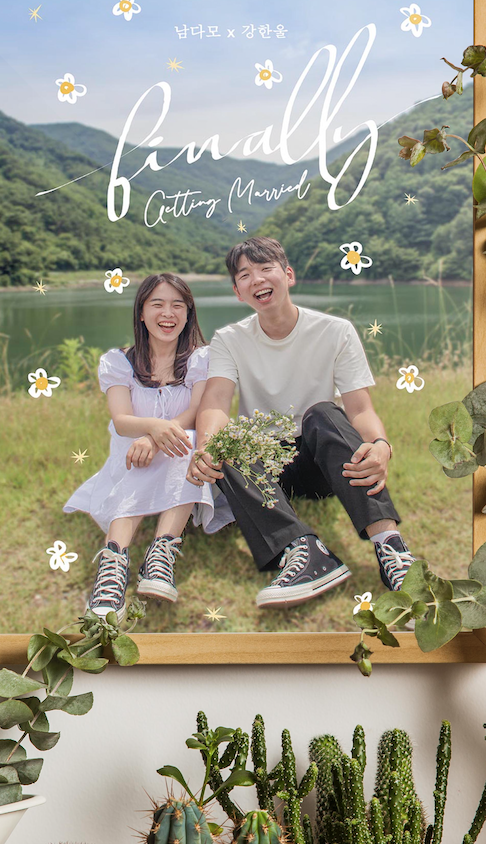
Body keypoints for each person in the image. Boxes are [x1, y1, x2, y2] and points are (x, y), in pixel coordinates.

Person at [187, 236, 415, 608]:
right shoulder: (229, 339)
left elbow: (359, 409)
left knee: (324, 412)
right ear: (238, 291)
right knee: (226, 438)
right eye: (245, 275)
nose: (257, 279)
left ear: (288, 275)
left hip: (323, 460)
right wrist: (205, 446)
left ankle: (390, 547)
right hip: (264, 468)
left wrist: (380, 445)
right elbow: (215, 402)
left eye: (265, 269)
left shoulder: (335, 331)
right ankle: (305, 551)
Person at [64, 272, 215, 620]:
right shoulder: (119, 361)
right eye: (158, 304)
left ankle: (161, 554)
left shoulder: (200, 359)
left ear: (189, 313)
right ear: (142, 312)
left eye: (178, 305)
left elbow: (196, 412)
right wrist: (150, 431)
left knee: (186, 440)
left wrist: (158, 435)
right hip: (134, 453)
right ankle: (113, 564)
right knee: (153, 448)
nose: (169, 313)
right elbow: (121, 420)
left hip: (178, 449)